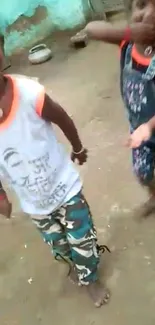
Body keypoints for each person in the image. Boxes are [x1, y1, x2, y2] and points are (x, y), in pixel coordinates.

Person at [0, 49, 110, 307]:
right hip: (34, 202)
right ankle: (76, 266)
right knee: (58, 245)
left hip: (64, 187)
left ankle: (90, 278)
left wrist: (78, 148)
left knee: (81, 239)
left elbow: (61, 117)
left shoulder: (28, 93)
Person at [85, 0, 155, 218]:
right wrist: (129, 33)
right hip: (140, 132)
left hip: (149, 127)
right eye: (142, 4)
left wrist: (149, 126)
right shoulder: (126, 45)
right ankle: (154, 195)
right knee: (142, 172)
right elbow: (90, 29)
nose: (149, 15)